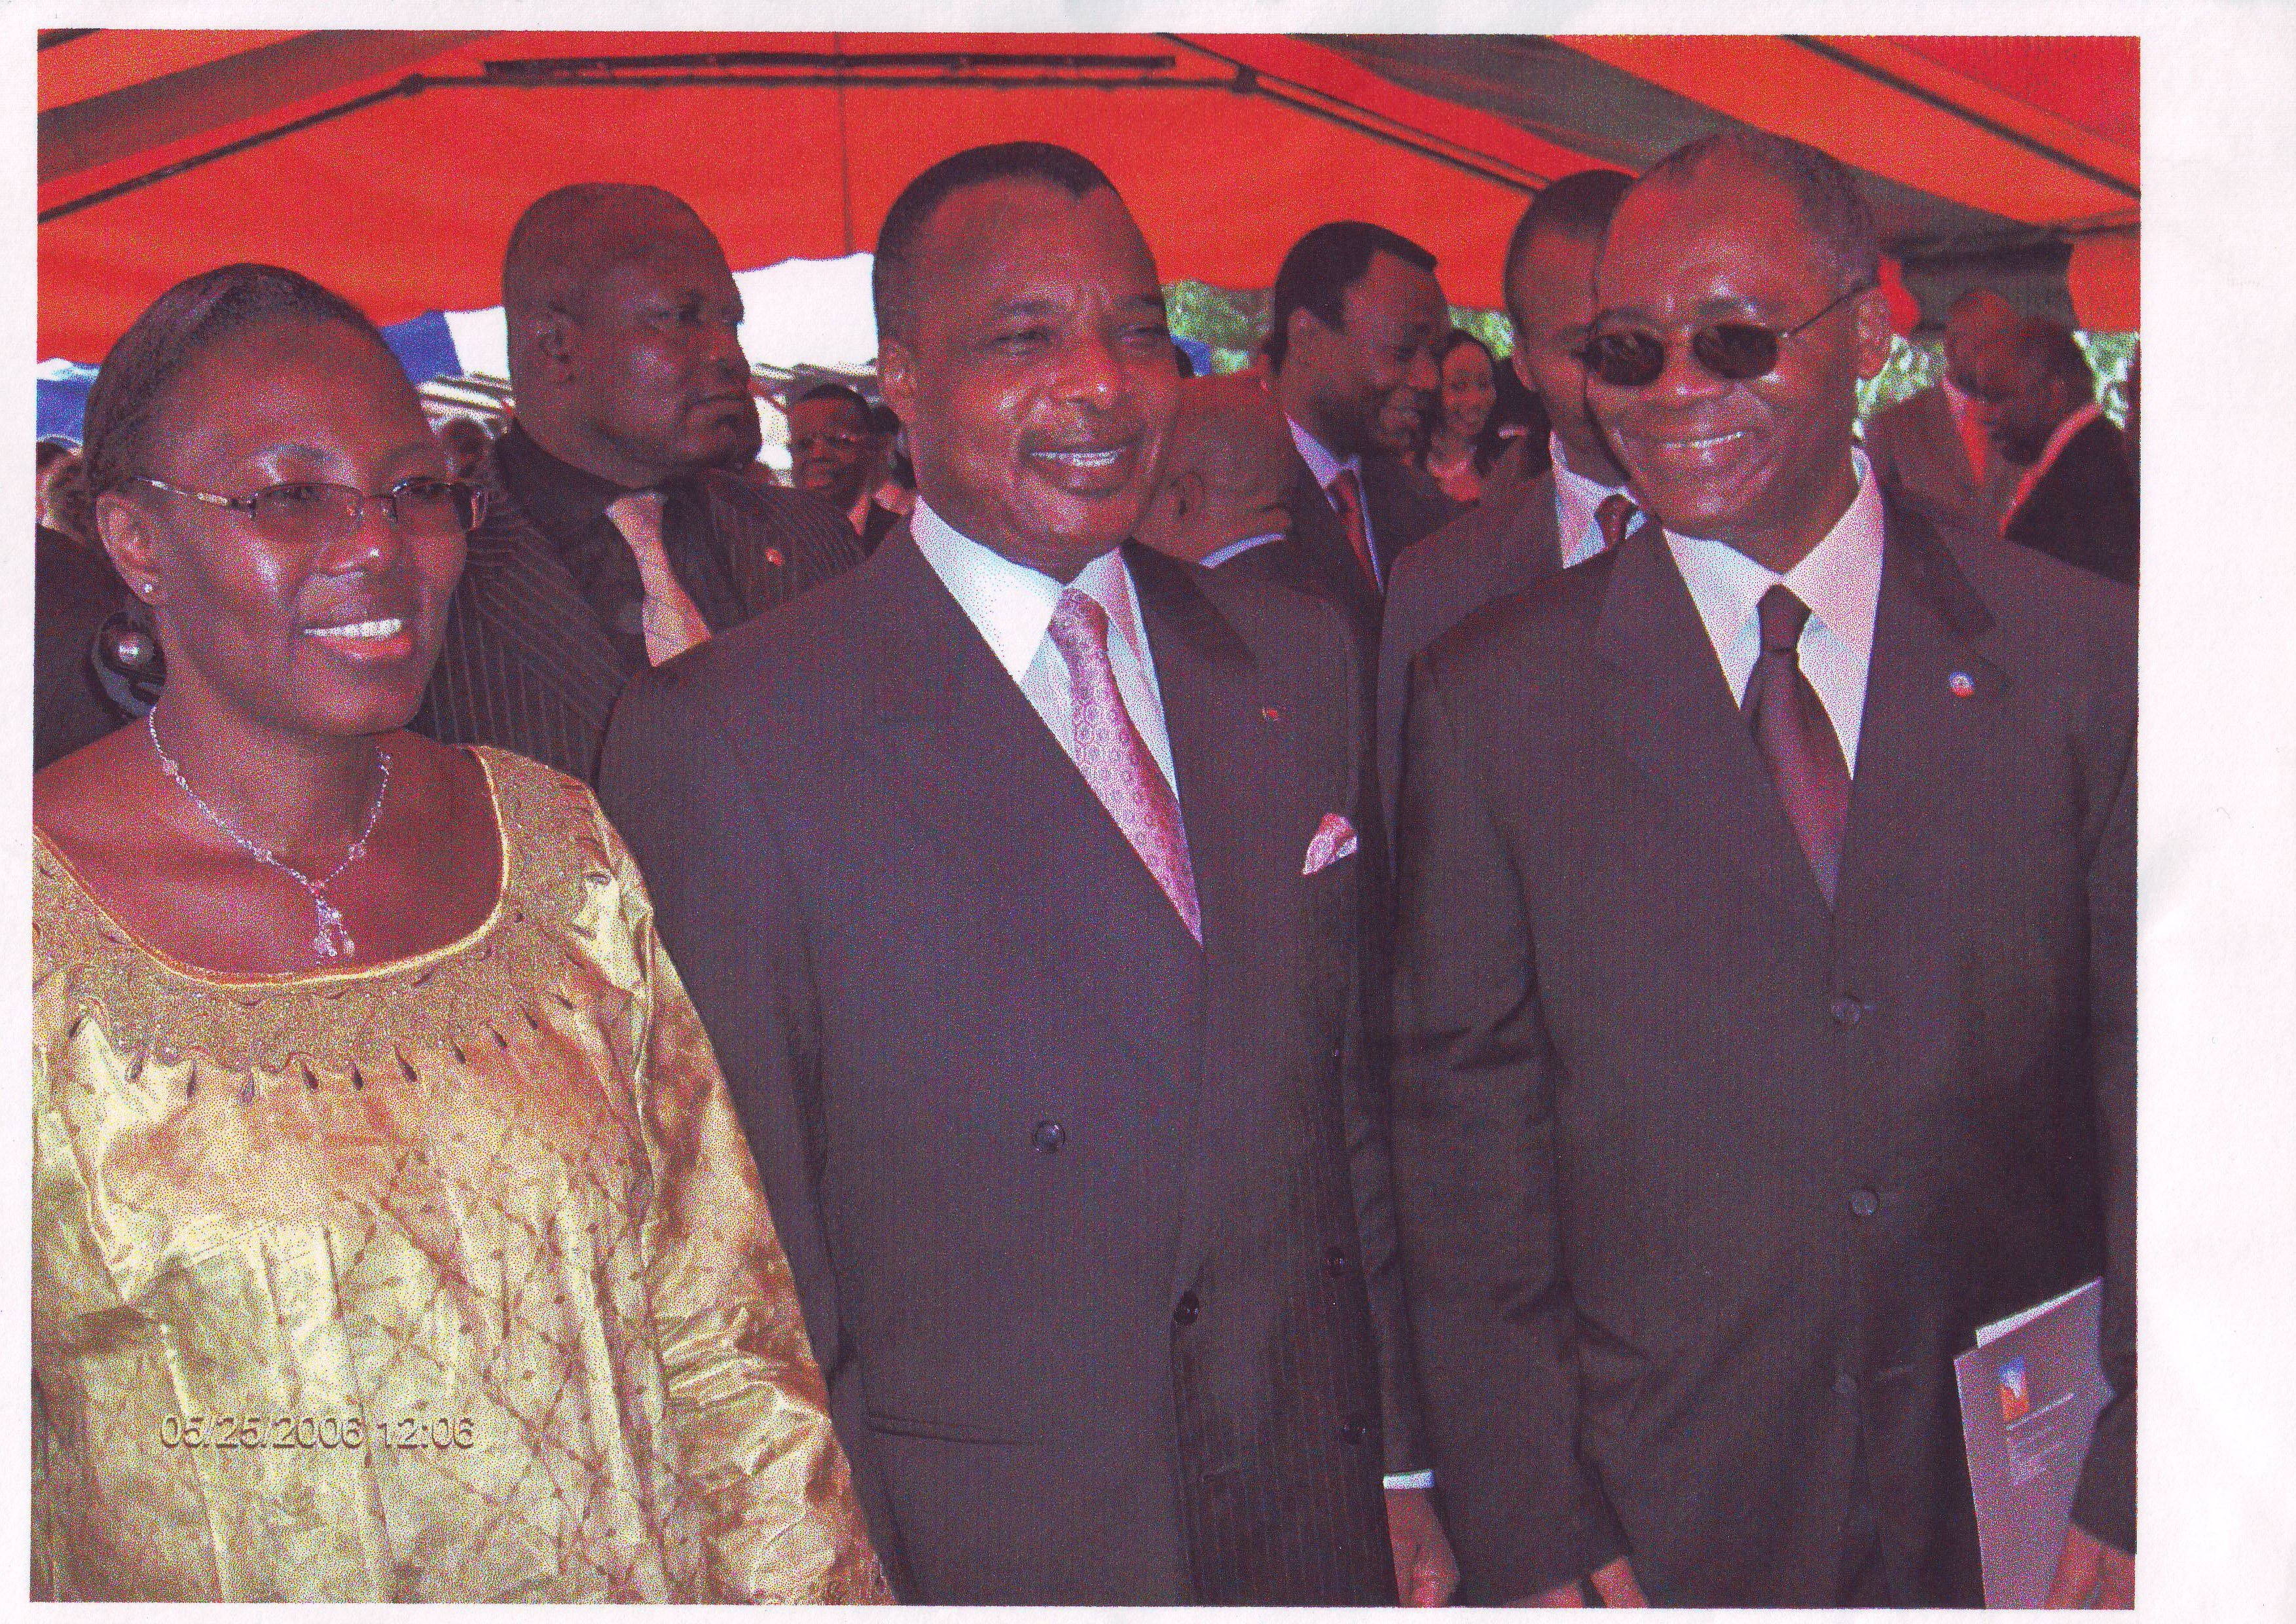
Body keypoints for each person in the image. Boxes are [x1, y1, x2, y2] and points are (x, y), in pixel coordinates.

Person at [599, 141, 1452, 1607]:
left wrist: (1401, 1472)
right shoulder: (733, 736)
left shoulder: (1291, 658)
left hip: (1304, 1512)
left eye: (1136, 330)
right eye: (1023, 337)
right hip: (1002, 1539)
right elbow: (742, 1260)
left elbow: (1345, 1111)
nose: (1102, 381)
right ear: (904, 381)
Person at [29, 263, 888, 1604]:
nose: (377, 543)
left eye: (413, 487)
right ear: (135, 540)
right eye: (289, 494)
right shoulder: (36, 927)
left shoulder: (556, 848)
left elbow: (724, 1340)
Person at [1389, 132, 2134, 1608]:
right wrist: (1533, 1521)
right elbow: (1466, 1153)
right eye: (1627, 347)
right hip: (1668, 1515)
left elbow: (2154, 1076)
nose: (1672, 395)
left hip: (2019, 1496)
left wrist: (2137, 1464)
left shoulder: (2073, 655)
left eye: (1734, 339)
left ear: (1867, 328)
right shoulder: (1492, 701)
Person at [412, 183, 863, 783]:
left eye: (730, 322)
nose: (729, 355)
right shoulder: (428, 578)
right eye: (682, 318)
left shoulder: (811, 539)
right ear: (556, 349)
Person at [1377, 168, 1638, 834]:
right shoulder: (1440, 583)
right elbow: (1418, 848)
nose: (1621, 374)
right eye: (1586, 349)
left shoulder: (1762, 543)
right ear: (1521, 362)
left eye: (1643, 336)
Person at [1246, 221, 1463, 649]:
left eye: (1434, 356)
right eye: (1403, 352)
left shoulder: (1431, 515)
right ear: (1306, 337)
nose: (1428, 378)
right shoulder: (1223, 500)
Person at [1969, 316, 2140, 586]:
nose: (1982, 414)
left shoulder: (2085, 486)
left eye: (1997, 397)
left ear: (2053, 396)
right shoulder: (2094, 455)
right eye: (1979, 397)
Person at [1862, 287, 2019, 534]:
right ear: (1953, 345)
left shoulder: (2027, 424)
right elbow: (1875, 530)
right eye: (1989, 342)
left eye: (2010, 344)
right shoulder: (1892, 429)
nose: (2002, 355)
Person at [1133, 373, 1296, 568]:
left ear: (1184, 502)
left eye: (1138, 488)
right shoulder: (1326, 579)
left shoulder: (1184, 595)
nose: (1127, 517)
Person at [786, 380, 900, 551]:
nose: (818, 455)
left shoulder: (901, 539)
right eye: (803, 444)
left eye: (838, 441)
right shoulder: (776, 541)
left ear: (872, 449)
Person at [1418, 331, 1504, 505]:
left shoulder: (1509, 463)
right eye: (1458, 386)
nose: (1475, 400)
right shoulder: (1407, 468)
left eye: (1484, 384)